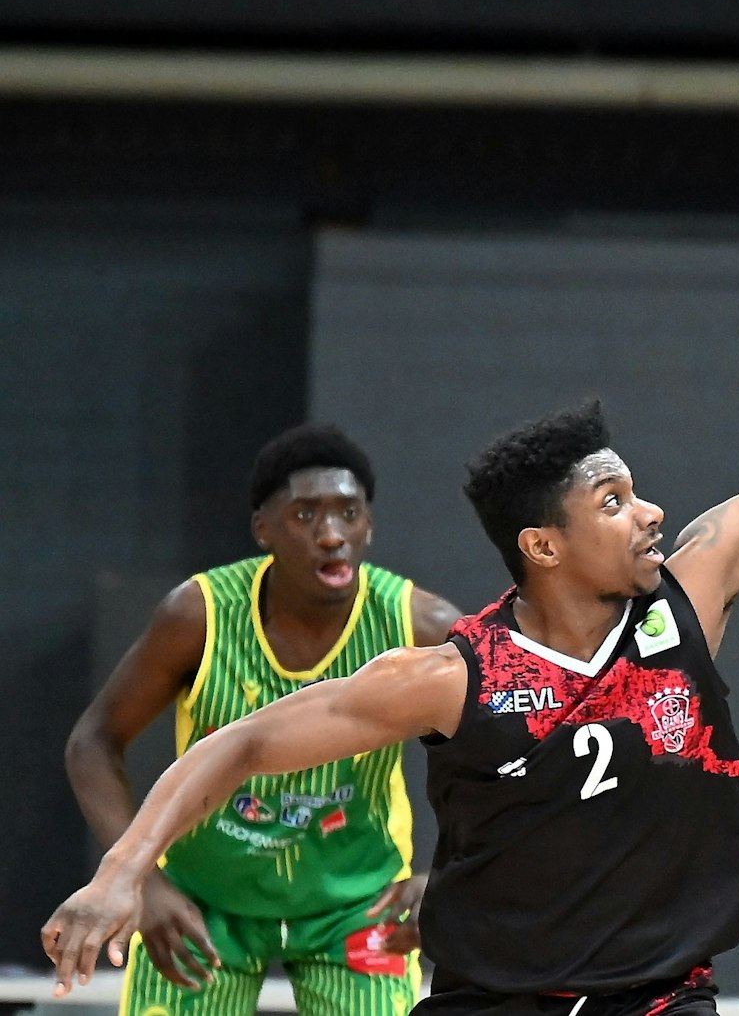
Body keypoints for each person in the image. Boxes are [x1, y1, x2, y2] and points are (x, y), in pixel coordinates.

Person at [43, 101, 739, 1015]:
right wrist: (126, 866)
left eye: (635, 491)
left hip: (657, 995)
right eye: (614, 501)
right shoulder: (449, 675)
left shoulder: (691, 594)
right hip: (492, 998)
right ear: (541, 545)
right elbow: (240, 741)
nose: (650, 512)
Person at [62, 423, 461, 1016]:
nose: (331, 535)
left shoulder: (421, 624)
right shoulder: (198, 615)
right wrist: (144, 882)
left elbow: (510, 759)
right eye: (305, 516)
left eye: (348, 514)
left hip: (354, 907)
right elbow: (93, 742)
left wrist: (455, 880)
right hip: (202, 902)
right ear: (263, 530)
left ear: (369, 525)